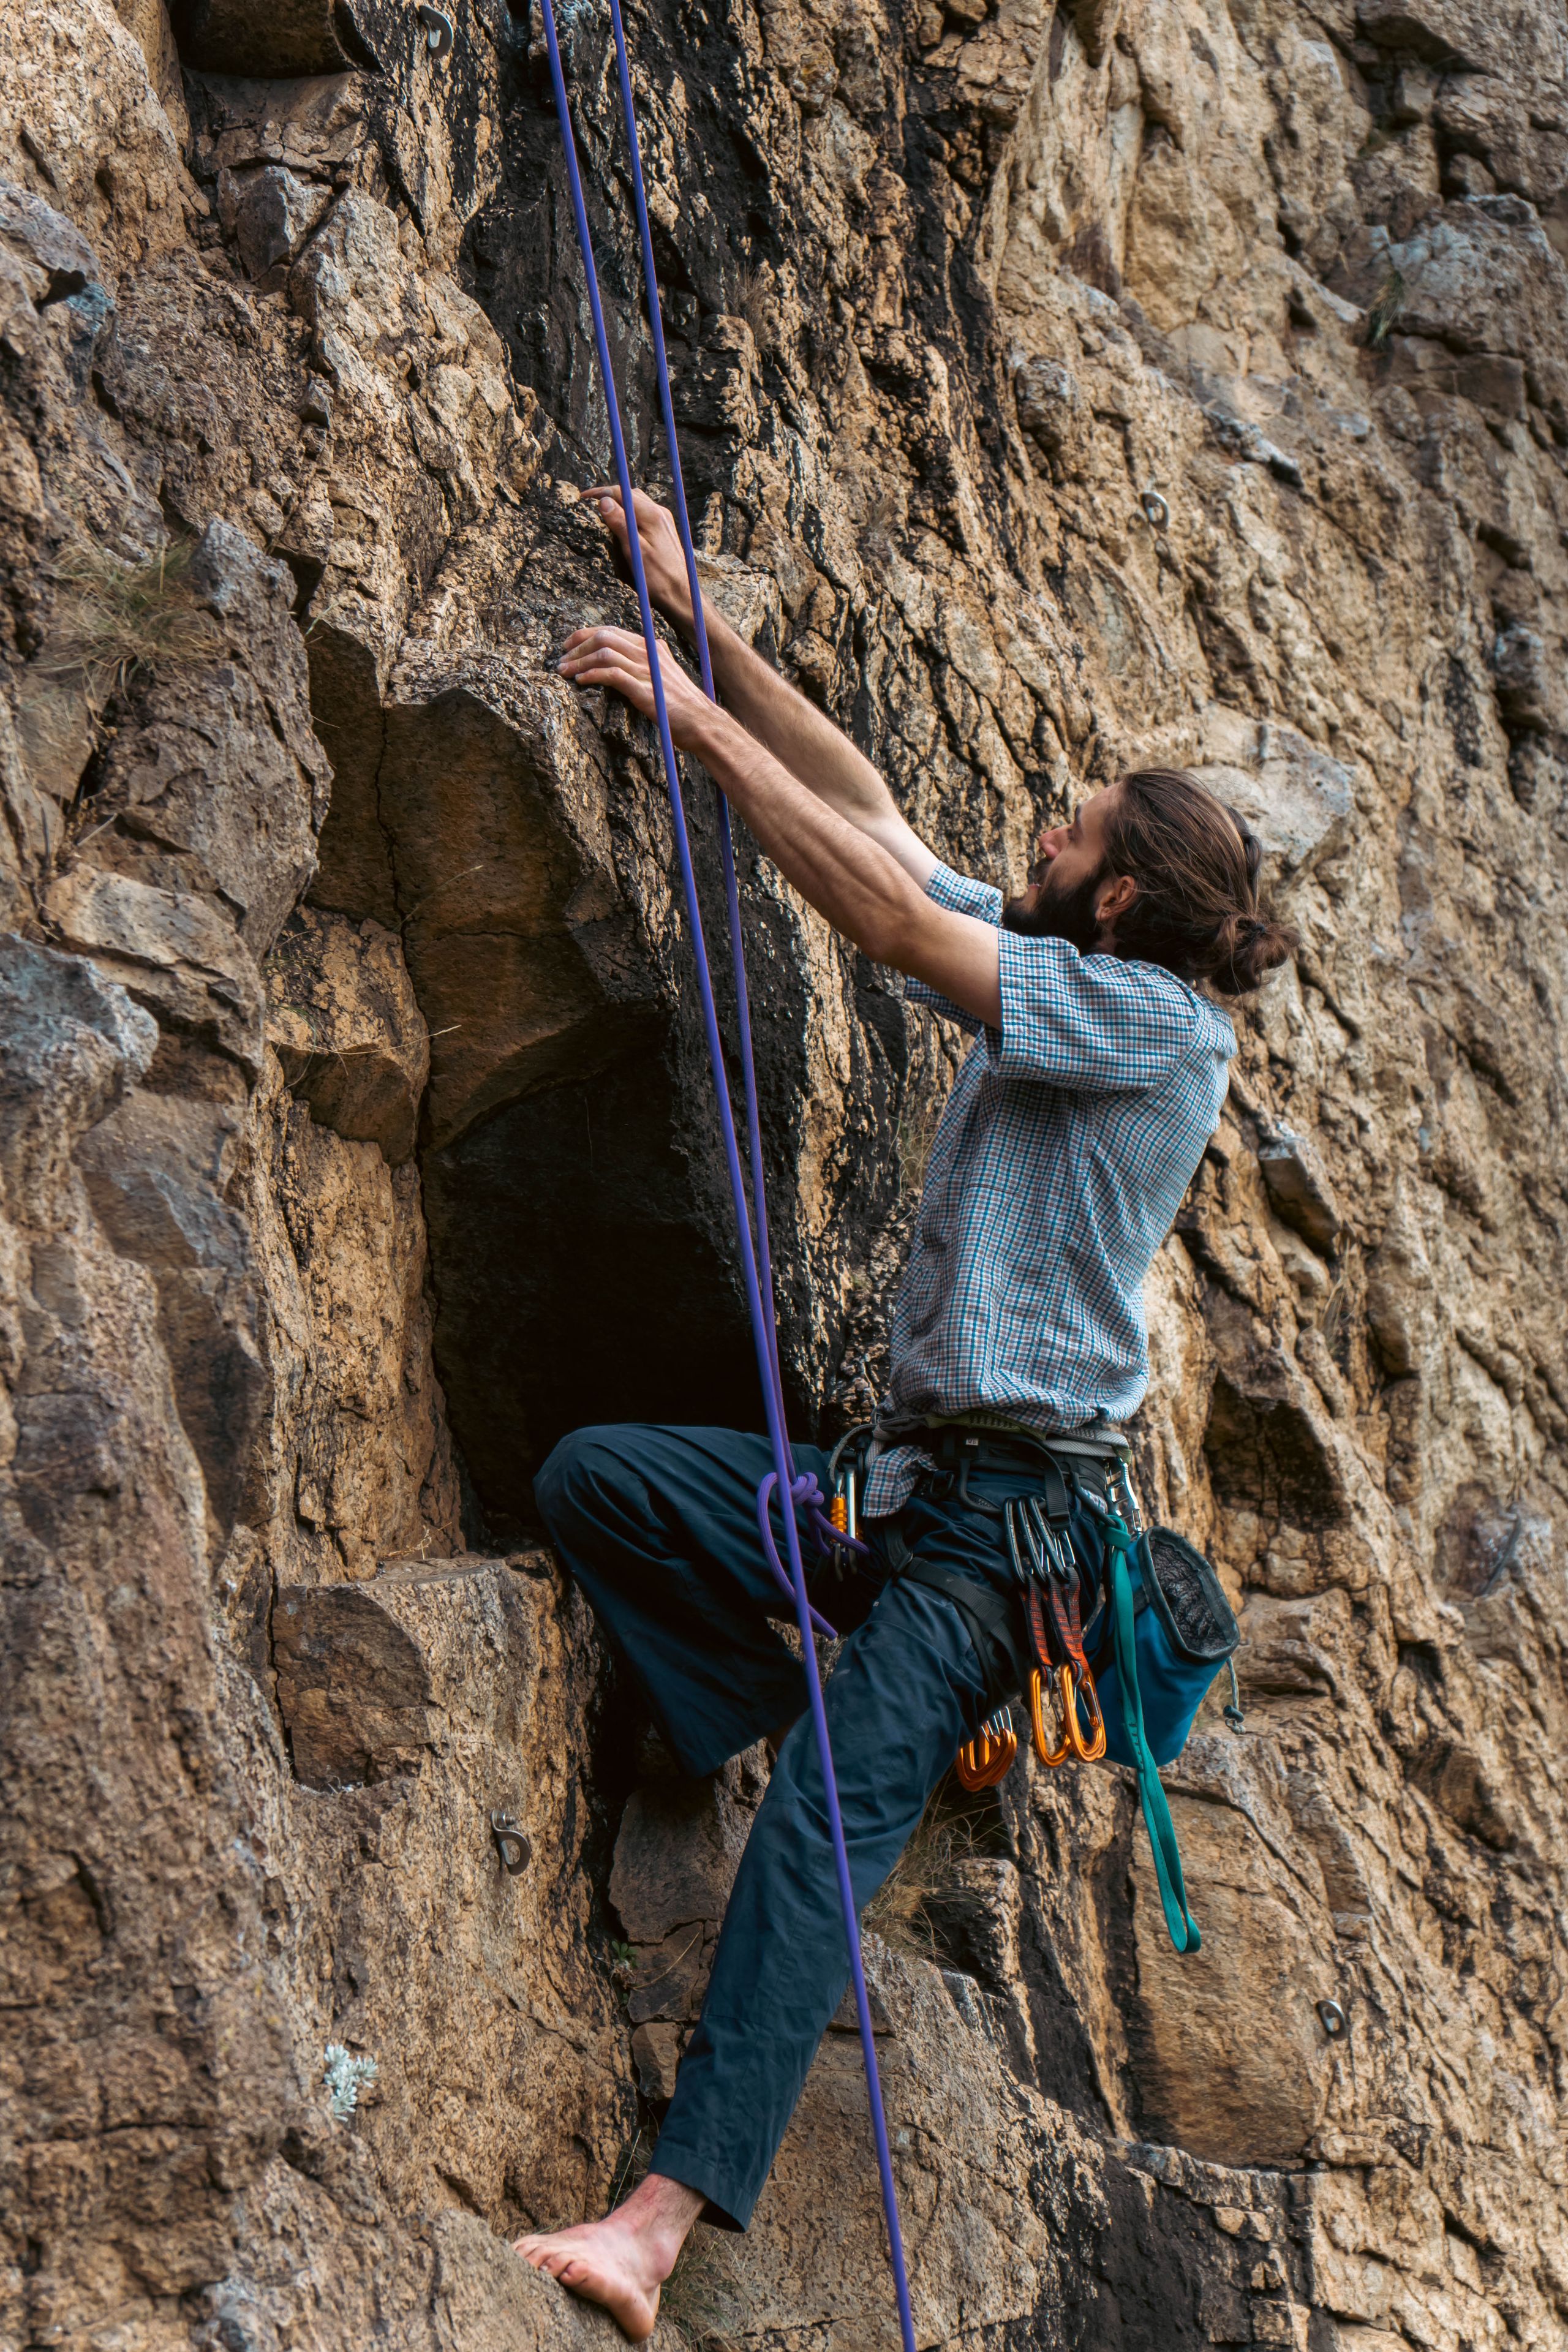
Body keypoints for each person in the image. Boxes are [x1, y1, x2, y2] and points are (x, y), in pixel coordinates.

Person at [511, 487, 1293, 2337]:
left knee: (813, 1843)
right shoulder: (1074, 969)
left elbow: (869, 909)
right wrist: (709, 633)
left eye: (1071, 823)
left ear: (1113, 893)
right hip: (894, 1496)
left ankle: (654, 2228)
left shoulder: (1161, 1033)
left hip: (991, 1551)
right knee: (601, 1479)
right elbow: (876, 821)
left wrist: (687, 730)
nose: (1037, 823)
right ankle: (830, 1700)